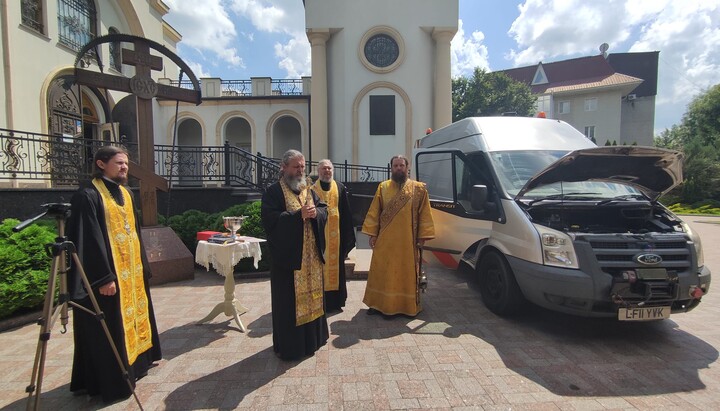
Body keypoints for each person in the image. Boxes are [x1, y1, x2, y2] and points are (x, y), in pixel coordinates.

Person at [66, 146, 162, 404]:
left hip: (131, 273)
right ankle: (113, 382)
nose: (124, 168)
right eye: (119, 163)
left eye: (126, 164)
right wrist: (103, 278)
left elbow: (135, 233)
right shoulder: (87, 196)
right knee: (109, 327)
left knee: (135, 318)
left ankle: (138, 366)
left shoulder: (126, 193)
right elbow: (89, 242)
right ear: (101, 164)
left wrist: (143, 266)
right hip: (109, 278)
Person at [261, 149, 329, 360]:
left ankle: (314, 339)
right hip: (289, 262)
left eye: (302, 166)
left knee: (314, 297)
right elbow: (270, 221)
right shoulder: (273, 192)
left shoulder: (307, 189)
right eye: (295, 167)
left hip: (311, 260)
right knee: (289, 304)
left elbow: (323, 209)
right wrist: (297, 216)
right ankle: (293, 347)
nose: (300, 170)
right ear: (284, 168)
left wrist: (316, 213)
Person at [362, 154, 435, 317]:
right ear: (391, 168)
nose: (399, 168)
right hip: (385, 242)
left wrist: (422, 236)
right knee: (381, 272)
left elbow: (424, 213)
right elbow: (375, 212)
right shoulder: (383, 187)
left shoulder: (419, 188)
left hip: (407, 242)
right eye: (395, 166)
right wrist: (373, 234)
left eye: (402, 165)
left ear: (407, 167)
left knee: (405, 273)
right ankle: (377, 304)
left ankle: (406, 307)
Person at [311, 159, 356, 313]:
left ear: (333, 170)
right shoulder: (312, 189)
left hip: (336, 239)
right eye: (324, 169)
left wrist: (348, 238)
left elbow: (346, 213)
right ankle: (320, 302)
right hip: (319, 238)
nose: (327, 171)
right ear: (318, 171)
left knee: (336, 269)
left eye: (329, 168)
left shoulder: (340, 187)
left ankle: (336, 302)